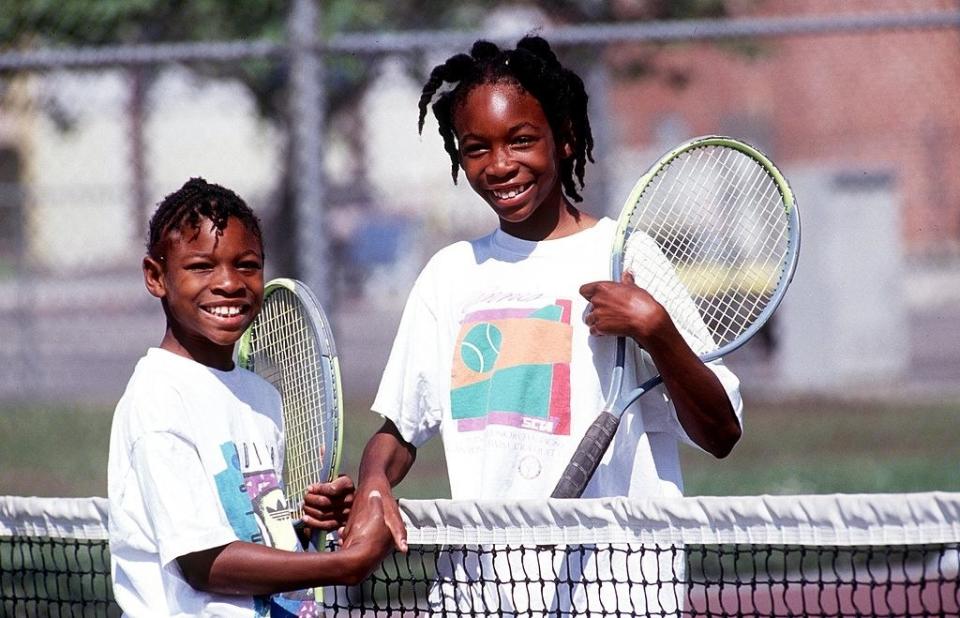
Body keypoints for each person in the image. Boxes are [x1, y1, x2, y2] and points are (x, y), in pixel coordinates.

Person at [342, 36, 744, 614]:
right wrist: (375, 479)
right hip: (482, 594)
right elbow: (400, 431)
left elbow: (721, 433)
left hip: (620, 595)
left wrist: (657, 329)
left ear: (566, 138)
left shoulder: (627, 256)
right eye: (476, 148)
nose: (500, 165)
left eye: (522, 140)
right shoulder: (449, 275)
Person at [107, 178, 391, 617]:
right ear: (156, 276)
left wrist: (304, 520)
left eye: (247, 265)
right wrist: (341, 564)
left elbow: (252, 524)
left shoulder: (262, 397)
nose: (229, 283)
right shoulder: (158, 397)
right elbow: (203, 562)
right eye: (202, 266)